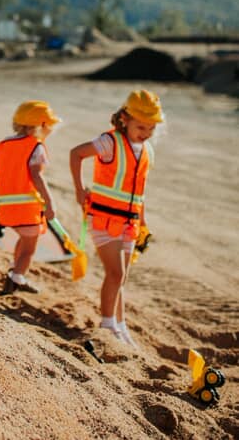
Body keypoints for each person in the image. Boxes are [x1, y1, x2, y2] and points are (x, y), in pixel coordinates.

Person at [69, 89, 164, 346]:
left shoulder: (147, 152)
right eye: (140, 127)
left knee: (121, 277)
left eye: (150, 129)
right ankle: (107, 324)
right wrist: (79, 190)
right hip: (103, 217)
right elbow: (76, 153)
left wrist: (143, 221)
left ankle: (120, 327)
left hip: (129, 222)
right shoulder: (109, 142)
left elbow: (140, 190)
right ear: (124, 119)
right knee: (115, 273)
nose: (145, 134)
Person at [0, 100, 61, 294]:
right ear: (41, 126)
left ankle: (14, 269)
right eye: (49, 125)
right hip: (26, 207)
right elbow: (36, 176)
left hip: (5, 206)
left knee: (23, 239)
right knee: (30, 248)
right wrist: (50, 202)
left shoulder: (3, 144)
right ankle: (16, 278)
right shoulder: (36, 146)